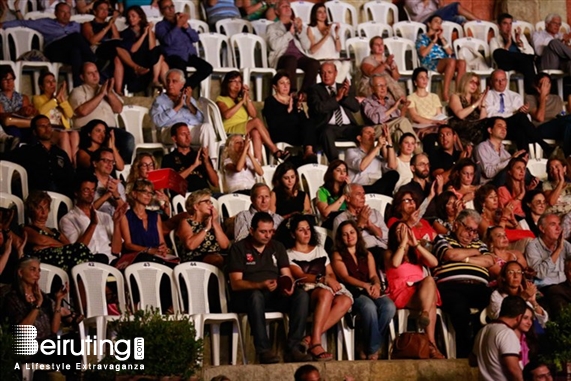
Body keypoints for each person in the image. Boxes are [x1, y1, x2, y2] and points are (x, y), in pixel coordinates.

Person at [227, 212, 312, 364]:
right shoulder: (238, 248)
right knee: (256, 295)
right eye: (263, 231)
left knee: (301, 296)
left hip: (273, 294)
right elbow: (236, 283)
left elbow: (286, 275)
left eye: (270, 231)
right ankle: (263, 350)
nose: (267, 235)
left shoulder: (277, 246)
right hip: (246, 297)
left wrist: (289, 286)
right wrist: (259, 285)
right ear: (252, 231)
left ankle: (293, 347)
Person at [282, 214, 353, 361]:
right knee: (326, 294)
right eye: (301, 230)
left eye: (308, 229)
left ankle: (309, 338)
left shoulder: (319, 250)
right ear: (292, 233)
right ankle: (316, 343)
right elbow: (299, 275)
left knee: (345, 300)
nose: (306, 233)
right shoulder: (288, 254)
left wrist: (330, 281)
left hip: (325, 286)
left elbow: (331, 273)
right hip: (306, 291)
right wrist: (323, 279)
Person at [2, 256, 82, 380]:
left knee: (72, 341)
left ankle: (72, 376)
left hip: (47, 344)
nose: (37, 274)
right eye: (33, 270)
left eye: (39, 270)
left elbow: (54, 330)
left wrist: (58, 300)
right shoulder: (12, 298)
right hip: (28, 347)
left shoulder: (41, 295)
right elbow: (22, 329)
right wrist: (37, 305)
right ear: (20, 272)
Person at [432, 209, 495, 358]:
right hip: (452, 286)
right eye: (468, 229)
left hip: (479, 287)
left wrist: (464, 258)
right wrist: (473, 252)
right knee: (459, 309)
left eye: (474, 231)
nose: (471, 235)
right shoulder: (443, 239)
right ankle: (465, 355)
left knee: (499, 302)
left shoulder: (479, 244)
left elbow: (489, 261)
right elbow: (450, 254)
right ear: (456, 225)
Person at [331, 220, 396, 360]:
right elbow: (345, 276)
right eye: (345, 234)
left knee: (389, 307)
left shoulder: (367, 254)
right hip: (352, 291)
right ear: (340, 238)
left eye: (352, 232)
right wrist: (365, 285)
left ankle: (367, 345)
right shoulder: (337, 255)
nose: (349, 236)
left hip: (370, 288)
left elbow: (373, 275)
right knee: (369, 307)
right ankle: (373, 350)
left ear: (358, 234)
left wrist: (377, 285)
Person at [385, 221, 445, 359]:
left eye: (406, 229)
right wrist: (404, 243)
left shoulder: (416, 254)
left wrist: (416, 245)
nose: (403, 232)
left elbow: (434, 263)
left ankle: (424, 315)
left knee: (429, 280)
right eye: (399, 230)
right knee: (430, 303)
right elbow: (395, 263)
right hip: (402, 293)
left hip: (420, 291)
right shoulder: (388, 253)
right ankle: (432, 345)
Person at [0, 2, 97, 86]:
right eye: (63, 12)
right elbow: (24, 23)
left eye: (68, 13)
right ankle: (94, 61)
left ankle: (77, 86)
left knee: (76, 52)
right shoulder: (45, 22)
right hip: (54, 49)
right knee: (75, 36)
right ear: (56, 13)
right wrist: (3, 25)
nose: (66, 15)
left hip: (67, 53)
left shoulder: (75, 24)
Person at [69, 62, 134, 164]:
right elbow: (82, 111)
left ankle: (122, 171)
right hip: (88, 131)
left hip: (109, 130)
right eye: (90, 73)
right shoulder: (77, 91)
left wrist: (110, 93)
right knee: (126, 140)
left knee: (128, 139)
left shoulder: (106, 89)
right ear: (82, 77)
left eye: (96, 72)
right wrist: (101, 94)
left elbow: (119, 109)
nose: (95, 75)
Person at [216, 71, 288, 163]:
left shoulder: (241, 99)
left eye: (239, 81)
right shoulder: (221, 99)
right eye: (234, 81)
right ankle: (274, 150)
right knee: (256, 121)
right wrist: (242, 102)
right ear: (227, 83)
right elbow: (227, 115)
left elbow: (253, 114)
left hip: (244, 130)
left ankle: (257, 164)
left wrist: (247, 98)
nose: (237, 84)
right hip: (229, 130)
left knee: (256, 132)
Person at [484, 69, 552, 155]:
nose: (501, 83)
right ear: (491, 81)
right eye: (497, 80)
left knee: (521, 129)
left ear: (507, 80)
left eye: (503, 80)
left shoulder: (515, 96)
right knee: (520, 117)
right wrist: (514, 113)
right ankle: (543, 145)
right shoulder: (487, 96)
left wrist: (521, 111)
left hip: (511, 127)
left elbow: (521, 117)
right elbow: (490, 114)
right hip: (495, 126)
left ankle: (523, 158)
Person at [59, 174, 124, 265]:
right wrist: (92, 224)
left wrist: (116, 223)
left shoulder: (105, 216)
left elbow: (116, 250)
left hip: (111, 261)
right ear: (76, 192)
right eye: (86, 190)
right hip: (89, 263)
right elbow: (77, 251)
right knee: (101, 258)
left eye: (93, 190)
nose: (91, 194)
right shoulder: (68, 220)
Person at [24, 190, 94, 271]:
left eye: (46, 208)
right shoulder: (27, 228)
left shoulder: (55, 231)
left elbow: (69, 246)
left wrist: (49, 246)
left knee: (97, 256)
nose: (44, 212)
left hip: (63, 259)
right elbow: (42, 240)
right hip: (46, 261)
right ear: (31, 210)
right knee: (80, 250)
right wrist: (57, 245)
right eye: (39, 208)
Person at [8, 115, 75, 198]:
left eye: (48, 125)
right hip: (36, 197)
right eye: (42, 126)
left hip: (61, 198)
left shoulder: (61, 153)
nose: (47, 129)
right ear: (34, 132)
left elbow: (70, 177)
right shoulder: (26, 151)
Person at [307, 62, 361, 162]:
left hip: (348, 127)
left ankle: (367, 163)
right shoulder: (314, 90)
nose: (326, 75)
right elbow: (318, 108)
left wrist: (345, 96)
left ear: (336, 73)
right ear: (319, 74)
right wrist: (336, 98)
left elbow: (356, 107)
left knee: (367, 130)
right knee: (326, 132)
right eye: (323, 73)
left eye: (329, 72)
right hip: (328, 127)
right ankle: (336, 164)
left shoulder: (344, 87)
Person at [155, 0, 213, 89]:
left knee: (207, 68)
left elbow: (195, 38)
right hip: (174, 56)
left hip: (189, 54)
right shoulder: (160, 25)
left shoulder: (181, 21)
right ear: (162, 11)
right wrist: (177, 26)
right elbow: (167, 41)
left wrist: (186, 27)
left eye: (172, 6)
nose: (171, 10)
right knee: (181, 71)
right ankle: (183, 90)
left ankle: (186, 87)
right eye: (167, 8)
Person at [262, 71, 318, 162]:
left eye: (288, 83)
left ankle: (309, 152)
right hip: (280, 133)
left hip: (296, 134)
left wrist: (299, 108)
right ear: (275, 87)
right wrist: (288, 111)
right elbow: (273, 124)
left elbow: (304, 121)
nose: (285, 86)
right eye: (282, 83)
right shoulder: (270, 101)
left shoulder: (295, 100)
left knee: (310, 122)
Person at [267, 0, 319, 95]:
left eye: (288, 5)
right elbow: (274, 46)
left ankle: (304, 93)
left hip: (299, 57)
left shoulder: (297, 25)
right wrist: (289, 33)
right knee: (291, 59)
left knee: (314, 63)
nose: (287, 7)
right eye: (283, 6)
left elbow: (307, 46)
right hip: (282, 57)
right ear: (277, 12)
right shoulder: (272, 27)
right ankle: (292, 92)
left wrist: (300, 31)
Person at [471, 295, 527, 381]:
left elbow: (472, 361)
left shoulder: (482, 331)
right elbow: (514, 370)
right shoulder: (507, 333)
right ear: (519, 317)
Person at [525, 213, 571, 315]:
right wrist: (558, 249)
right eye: (553, 224)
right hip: (547, 288)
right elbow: (540, 273)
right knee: (563, 311)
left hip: (564, 285)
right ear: (542, 228)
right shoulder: (533, 246)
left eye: (559, 224)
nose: (558, 228)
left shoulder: (564, 244)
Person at [119, 179, 172, 266]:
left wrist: (163, 247)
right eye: (144, 191)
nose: (148, 195)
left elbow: (162, 241)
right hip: (136, 256)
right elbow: (128, 244)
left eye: (151, 193)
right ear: (134, 193)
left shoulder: (155, 216)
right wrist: (148, 250)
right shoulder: (125, 216)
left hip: (156, 255)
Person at [333, 183, 389, 264]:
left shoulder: (375, 213)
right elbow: (341, 247)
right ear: (348, 198)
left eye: (363, 193)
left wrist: (371, 226)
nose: (363, 197)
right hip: (362, 255)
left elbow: (388, 238)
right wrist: (359, 225)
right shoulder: (340, 219)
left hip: (383, 250)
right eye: (358, 194)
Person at [118, 5, 169, 94]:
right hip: (135, 60)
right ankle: (156, 81)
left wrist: (149, 32)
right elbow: (132, 50)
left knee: (160, 53)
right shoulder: (127, 33)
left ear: (140, 18)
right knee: (161, 60)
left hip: (148, 60)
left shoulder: (147, 31)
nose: (131, 19)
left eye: (133, 16)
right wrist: (144, 35)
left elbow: (152, 49)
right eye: (129, 17)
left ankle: (158, 82)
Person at [416, 15, 466, 102]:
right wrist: (433, 41)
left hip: (446, 62)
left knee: (462, 63)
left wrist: (441, 38)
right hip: (430, 62)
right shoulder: (422, 37)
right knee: (451, 61)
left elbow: (451, 53)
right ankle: (445, 94)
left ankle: (459, 94)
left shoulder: (441, 39)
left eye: (440, 23)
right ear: (429, 24)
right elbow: (423, 53)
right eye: (436, 21)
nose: (438, 24)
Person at [32, 72, 78, 164]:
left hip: (62, 129)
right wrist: (56, 99)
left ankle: (75, 164)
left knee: (74, 134)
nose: (52, 84)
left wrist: (61, 99)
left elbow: (70, 114)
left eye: (53, 81)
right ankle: (67, 164)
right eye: (48, 82)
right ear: (41, 87)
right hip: (49, 129)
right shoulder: (37, 98)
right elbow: (41, 112)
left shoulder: (60, 99)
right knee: (64, 135)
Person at [360, 74, 418, 146]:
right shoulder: (367, 102)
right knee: (403, 121)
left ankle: (403, 156)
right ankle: (417, 146)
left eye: (384, 85)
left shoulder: (389, 101)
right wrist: (393, 108)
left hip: (391, 128)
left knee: (399, 134)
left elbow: (399, 118)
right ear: (372, 89)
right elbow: (374, 119)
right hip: (376, 129)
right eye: (379, 85)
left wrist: (404, 108)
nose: (383, 88)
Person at [161, 123, 219, 193]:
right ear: (174, 138)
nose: (188, 137)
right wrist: (194, 165)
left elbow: (215, 183)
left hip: (206, 194)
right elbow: (172, 182)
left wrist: (206, 162)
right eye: (183, 134)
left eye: (188, 134)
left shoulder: (201, 155)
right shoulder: (168, 158)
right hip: (186, 197)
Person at [177, 189, 228, 268]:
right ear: (196, 206)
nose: (211, 205)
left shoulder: (213, 222)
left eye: (211, 202)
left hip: (217, 257)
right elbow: (191, 245)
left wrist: (214, 222)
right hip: (195, 260)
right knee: (216, 259)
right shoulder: (186, 222)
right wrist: (206, 228)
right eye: (207, 202)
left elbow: (225, 245)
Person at [487, 260, 547, 327]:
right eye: (511, 272)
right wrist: (522, 297)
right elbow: (499, 318)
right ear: (504, 277)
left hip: (530, 330)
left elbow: (543, 321)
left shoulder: (525, 291)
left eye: (519, 272)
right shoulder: (496, 295)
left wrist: (533, 301)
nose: (515, 276)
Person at [344, 125, 400, 196]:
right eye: (368, 133)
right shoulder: (351, 152)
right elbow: (361, 166)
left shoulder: (378, 157)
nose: (372, 136)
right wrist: (378, 147)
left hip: (378, 190)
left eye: (373, 134)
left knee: (394, 174)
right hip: (360, 189)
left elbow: (392, 166)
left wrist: (388, 140)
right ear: (359, 138)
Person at [474, 184, 535, 248]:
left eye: (496, 196)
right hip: (498, 247)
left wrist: (514, 221)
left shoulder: (498, 216)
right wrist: (504, 217)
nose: (495, 199)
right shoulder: (480, 219)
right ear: (483, 203)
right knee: (529, 239)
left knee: (529, 234)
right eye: (491, 197)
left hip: (510, 243)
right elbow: (496, 236)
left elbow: (521, 231)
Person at [490, 13, 537, 95]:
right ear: (499, 26)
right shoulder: (494, 40)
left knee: (527, 60)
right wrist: (507, 44)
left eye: (510, 23)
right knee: (498, 52)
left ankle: (531, 91)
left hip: (520, 64)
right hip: (506, 64)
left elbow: (531, 53)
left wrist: (520, 44)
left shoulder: (520, 37)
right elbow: (495, 58)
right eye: (505, 23)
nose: (508, 27)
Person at [526, 73, 571, 157]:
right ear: (536, 86)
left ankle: (568, 156)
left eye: (548, 84)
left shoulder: (556, 98)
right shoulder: (530, 98)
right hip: (541, 128)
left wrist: (563, 115)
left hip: (557, 125)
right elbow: (540, 118)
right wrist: (542, 96)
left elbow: (561, 113)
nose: (545, 86)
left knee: (569, 125)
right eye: (542, 84)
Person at [474, 117, 528, 186]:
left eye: (505, 128)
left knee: (525, 172)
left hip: (505, 185)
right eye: (500, 126)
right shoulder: (482, 147)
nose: (504, 130)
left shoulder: (505, 153)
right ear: (490, 130)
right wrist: (511, 160)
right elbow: (488, 173)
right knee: (506, 173)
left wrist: (522, 163)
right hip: (489, 185)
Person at [305, 3, 351, 82]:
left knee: (347, 64)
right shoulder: (311, 29)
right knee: (336, 66)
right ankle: (334, 87)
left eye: (324, 12)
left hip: (333, 59)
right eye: (320, 12)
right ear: (314, 14)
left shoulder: (331, 27)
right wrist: (325, 36)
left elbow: (338, 49)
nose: (323, 14)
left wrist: (336, 34)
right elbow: (312, 50)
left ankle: (333, 86)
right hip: (320, 60)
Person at [81, 1, 123, 86]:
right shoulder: (87, 24)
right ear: (95, 11)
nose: (105, 11)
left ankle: (118, 89)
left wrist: (112, 24)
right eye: (101, 9)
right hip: (96, 49)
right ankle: (134, 66)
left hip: (111, 49)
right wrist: (107, 27)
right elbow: (92, 40)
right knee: (116, 50)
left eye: (107, 9)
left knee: (117, 57)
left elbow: (117, 40)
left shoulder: (110, 24)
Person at [406, 67, 445, 145]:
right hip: (421, 127)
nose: (424, 79)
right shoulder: (411, 98)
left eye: (426, 77)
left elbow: (439, 114)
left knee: (449, 134)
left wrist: (440, 121)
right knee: (430, 138)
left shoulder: (434, 96)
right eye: (421, 77)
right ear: (415, 82)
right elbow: (415, 117)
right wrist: (433, 122)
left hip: (435, 126)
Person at [398, 152, 444, 219]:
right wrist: (430, 196)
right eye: (422, 164)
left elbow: (443, 211)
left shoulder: (433, 186)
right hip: (420, 224)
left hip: (438, 222)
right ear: (413, 168)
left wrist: (440, 191)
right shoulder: (406, 189)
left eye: (428, 164)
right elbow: (414, 216)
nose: (426, 167)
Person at [448, 72, 488, 146]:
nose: (474, 85)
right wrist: (476, 104)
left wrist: (482, 104)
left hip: (475, 129)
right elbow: (460, 115)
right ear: (465, 82)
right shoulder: (455, 97)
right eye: (472, 82)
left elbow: (483, 120)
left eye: (476, 83)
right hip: (460, 127)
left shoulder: (476, 99)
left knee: (488, 126)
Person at [0, 65, 37, 142]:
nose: (9, 82)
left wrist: (29, 111)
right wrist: (19, 112)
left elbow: (26, 116)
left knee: (33, 133)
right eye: (5, 79)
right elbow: (1, 115)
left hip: (23, 125)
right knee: (13, 132)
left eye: (11, 79)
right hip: (7, 127)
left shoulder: (23, 97)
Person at [92, 147, 127, 216]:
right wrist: (107, 195)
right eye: (106, 160)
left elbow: (125, 211)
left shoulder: (118, 185)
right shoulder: (87, 182)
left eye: (112, 161)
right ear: (95, 163)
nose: (110, 164)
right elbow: (85, 212)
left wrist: (116, 195)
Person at [316, 160, 349, 229]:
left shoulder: (349, 188)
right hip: (331, 224)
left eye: (344, 171)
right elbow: (326, 213)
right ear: (331, 173)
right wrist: (343, 196)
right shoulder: (322, 191)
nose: (342, 173)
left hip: (348, 222)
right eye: (338, 170)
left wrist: (349, 188)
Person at [404, 0, 477, 24]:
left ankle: (477, 24)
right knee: (454, 6)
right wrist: (426, 1)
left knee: (459, 19)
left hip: (437, 18)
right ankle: (478, 21)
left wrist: (440, 1)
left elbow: (442, 8)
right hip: (424, 21)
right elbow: (416, 11)